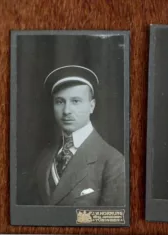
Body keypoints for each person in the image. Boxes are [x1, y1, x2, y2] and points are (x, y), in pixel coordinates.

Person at [26, 65, 125, 207]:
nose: (66, 111)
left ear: (92, 106)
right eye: (60, 102)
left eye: (75, 101)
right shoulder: (45, 157)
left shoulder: (113, 162)